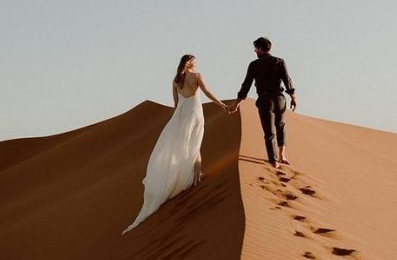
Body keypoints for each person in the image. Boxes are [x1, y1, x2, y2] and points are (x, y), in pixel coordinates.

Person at [122, 54, 228, 233]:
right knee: (196, 140)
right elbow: (207, 93)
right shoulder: (196, 76)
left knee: (186, 143)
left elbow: (175, 103)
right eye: (195, 62)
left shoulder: (176, 81)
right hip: (194, 112)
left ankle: (193, 174)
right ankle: (195, 177)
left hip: (180, 115)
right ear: (191, 63)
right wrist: (223, 105)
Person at [230, 37, 297, 169]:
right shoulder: (279, 61)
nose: (255, 51)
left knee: (269, 131)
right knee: (281, 126)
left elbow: (246, 85)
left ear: (260, 49)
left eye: (256, 48)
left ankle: (273, 160)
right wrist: (293, 97)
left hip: (265, 100)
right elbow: (287, 80)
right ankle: (282, 155)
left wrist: (237, 102)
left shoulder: (254, 65)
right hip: (279, 99)